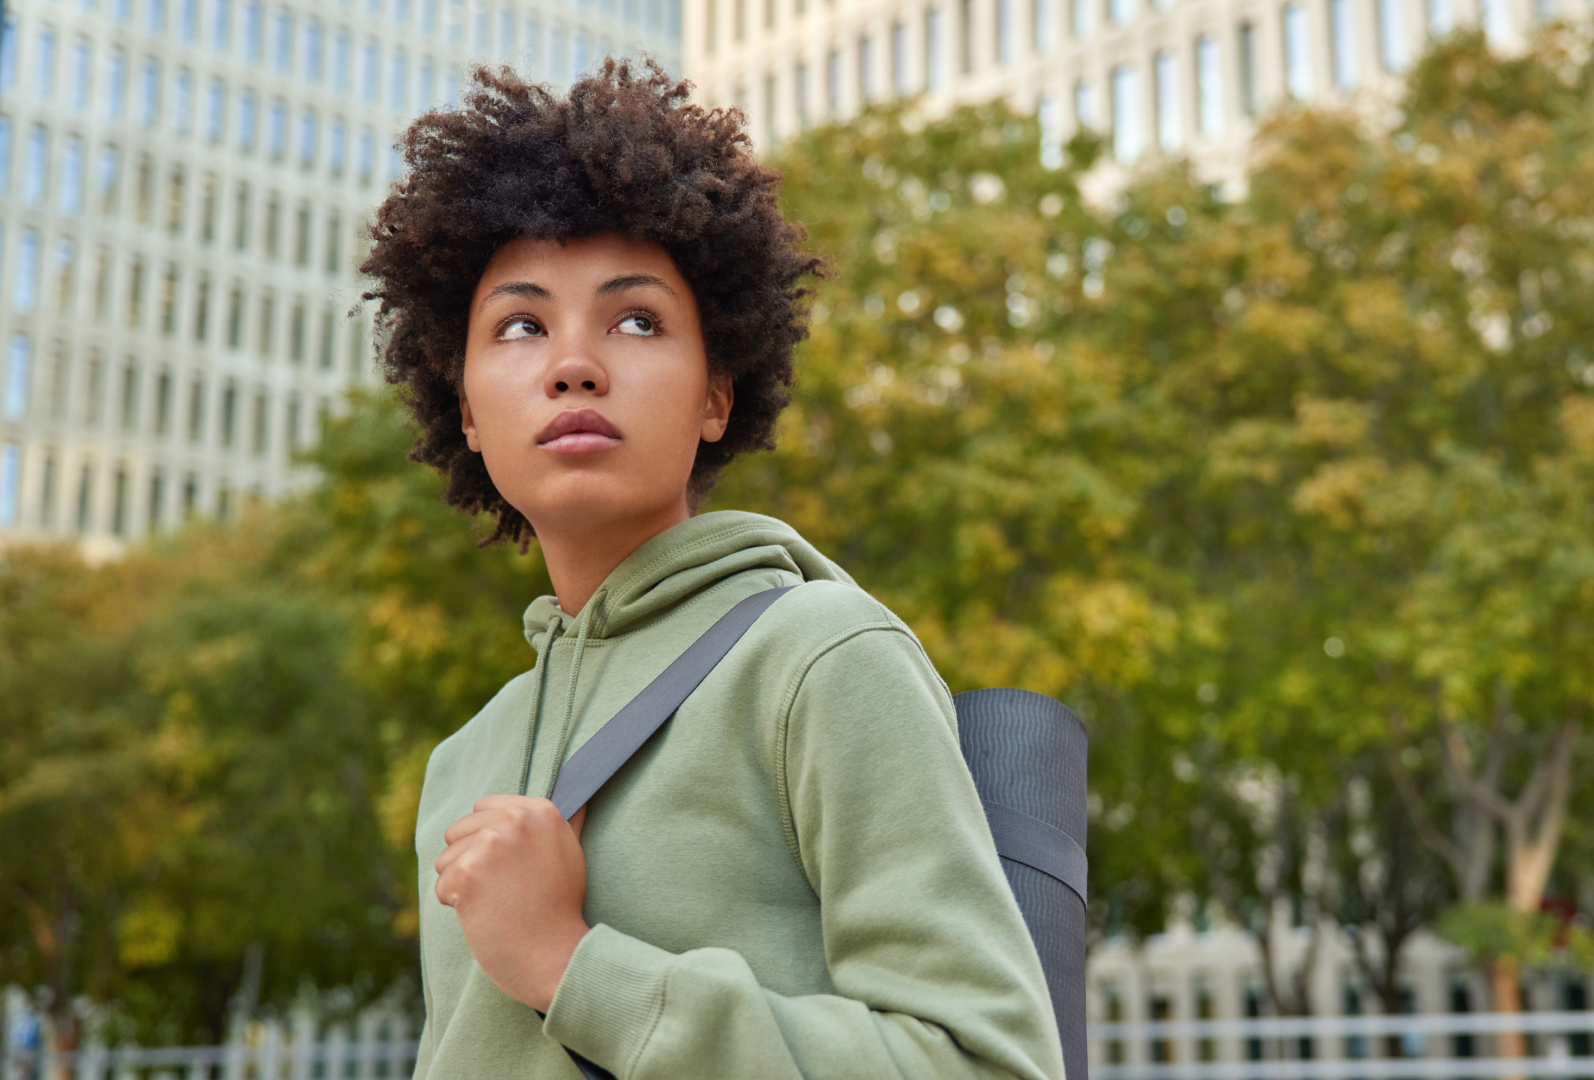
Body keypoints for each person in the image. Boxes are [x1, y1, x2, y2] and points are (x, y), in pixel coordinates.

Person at [360, 61, 1065, 1080]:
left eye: (636, 320)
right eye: (520, 325)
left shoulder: (821, 659)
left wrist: (573, 969)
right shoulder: (463, 763)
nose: (574, 363)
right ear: (464, 407)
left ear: (715, 396)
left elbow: (984, 1062)